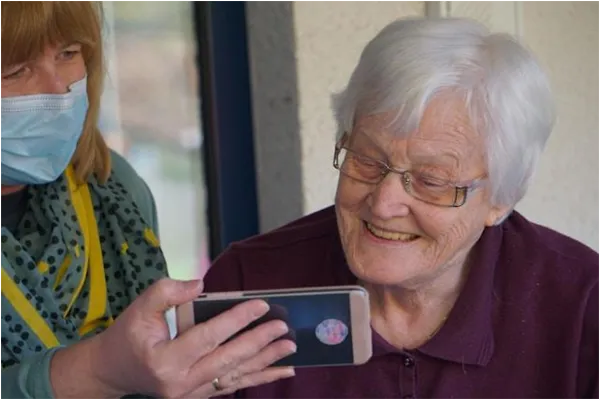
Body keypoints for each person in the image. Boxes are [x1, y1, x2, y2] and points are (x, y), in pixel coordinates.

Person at [202, 17, 600, 400]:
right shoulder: (249, 283)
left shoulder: (581, 303)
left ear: (500, 200)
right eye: (367, 160)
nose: (384, 202)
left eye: (432, 181)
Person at [0, 1, 296, 399]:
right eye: (16, 70)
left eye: (68, 54)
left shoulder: (110, 186)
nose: (58, 89)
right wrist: (100, 370)